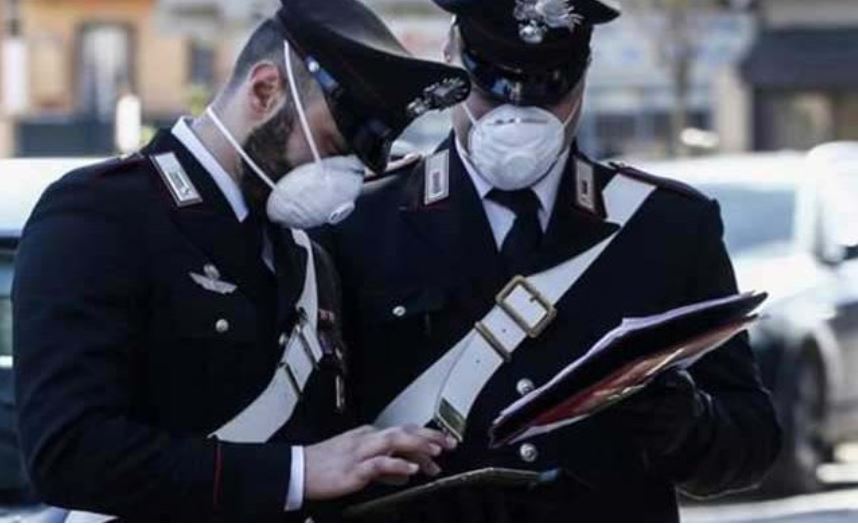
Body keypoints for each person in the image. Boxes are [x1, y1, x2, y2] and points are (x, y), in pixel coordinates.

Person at [313, 0, 782, 521]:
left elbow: (753, 445)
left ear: (582, 78)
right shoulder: (355, 222)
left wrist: (689, 424)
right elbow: (306, 441)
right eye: (493, 87)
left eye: (547, 88)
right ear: (450, 60)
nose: (520, 114)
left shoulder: (665, 225)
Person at [12, 0, 471, 521]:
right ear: (264, 90)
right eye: (328, 144)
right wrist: (296, 473)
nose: (341, 179)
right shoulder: (103, 214)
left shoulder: (306, 255)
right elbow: (69, 453)